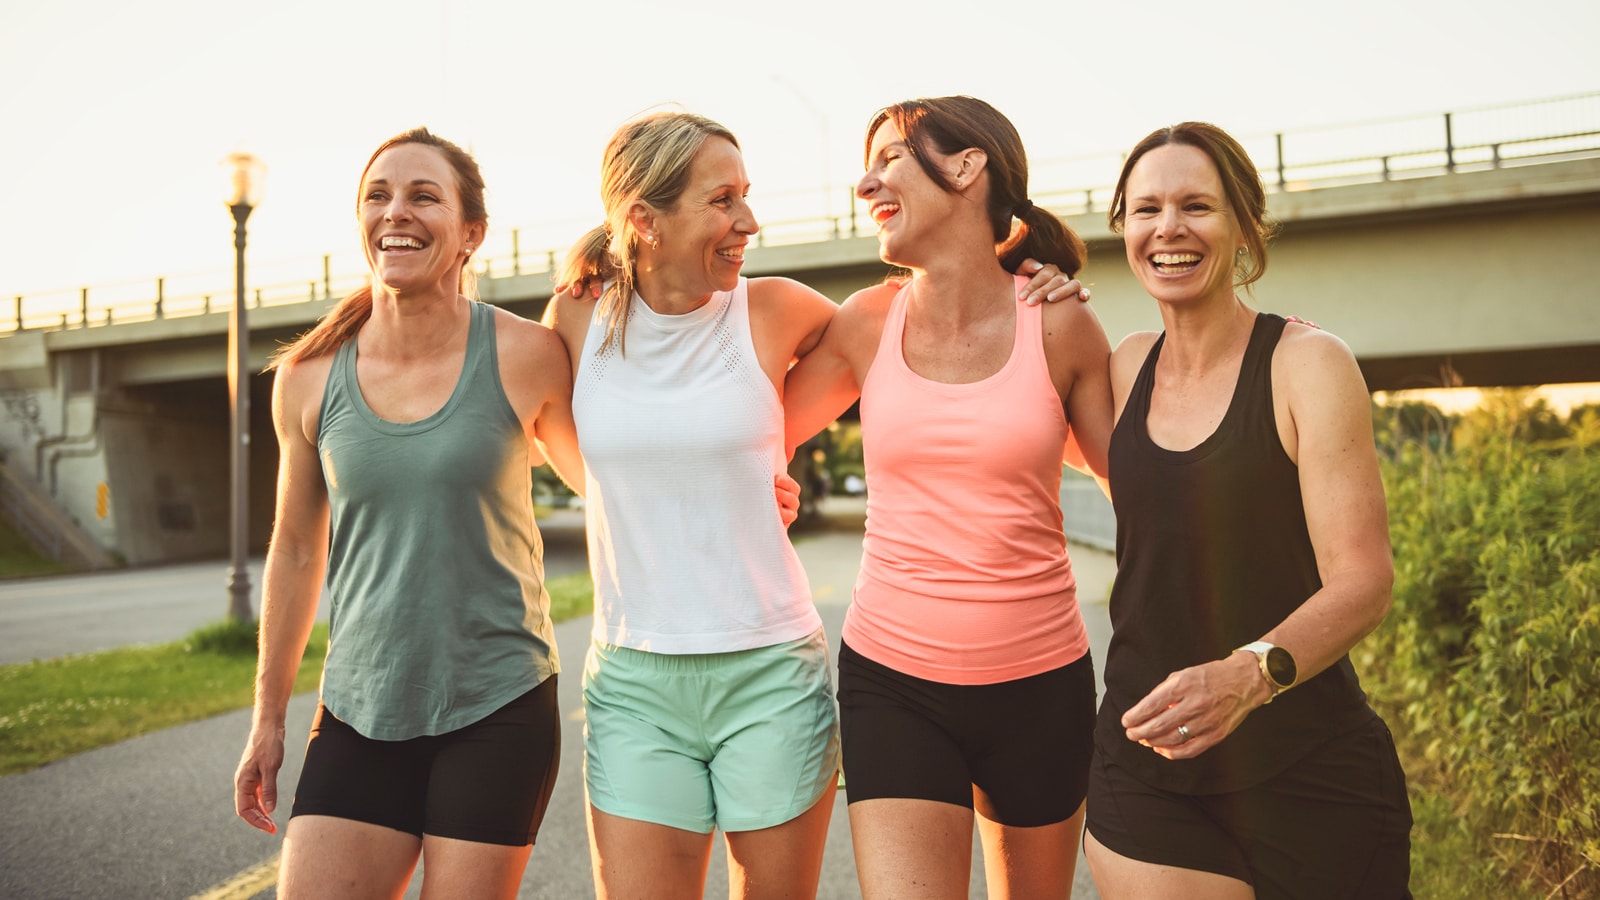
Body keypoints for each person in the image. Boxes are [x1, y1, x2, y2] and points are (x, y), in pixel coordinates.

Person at [544, 108, 1085, 899]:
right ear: (642, 220)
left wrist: (1030, 278)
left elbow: (915, 369)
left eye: (745, 196)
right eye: (722, 200)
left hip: (770, 665)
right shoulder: (576, 317)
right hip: (634, 677)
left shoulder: (783, 310)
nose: (747, 222)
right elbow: (572, 448)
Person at [231, 127, 584, 899]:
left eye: (425, 195)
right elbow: (294, 552)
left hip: (498, 703)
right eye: (379, 195)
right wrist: (268, 720)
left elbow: (608, 483)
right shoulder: (306, 378)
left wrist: (750, 477)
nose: (399, 211)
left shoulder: (527, 354)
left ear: (471, 235)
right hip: (359, 706)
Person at [781, 95, 1114, 899]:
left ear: (968, 168)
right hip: (893, 684)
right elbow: (752, 427)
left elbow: (1141, 487)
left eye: (890, 156)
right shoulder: (868, 323)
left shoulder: (1059, 325)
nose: (867, 184)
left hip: (1042, 687)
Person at [1081, 122, 1412, 899]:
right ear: (1123, 227)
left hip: (1306, 765)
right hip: (1145, 760)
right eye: (1145, 208)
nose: (1169, 228)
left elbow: (1364, 580)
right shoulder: (1124, 366)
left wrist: (1248, 674)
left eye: (1197, 205)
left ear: (1243, 227)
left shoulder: (1307, 365)